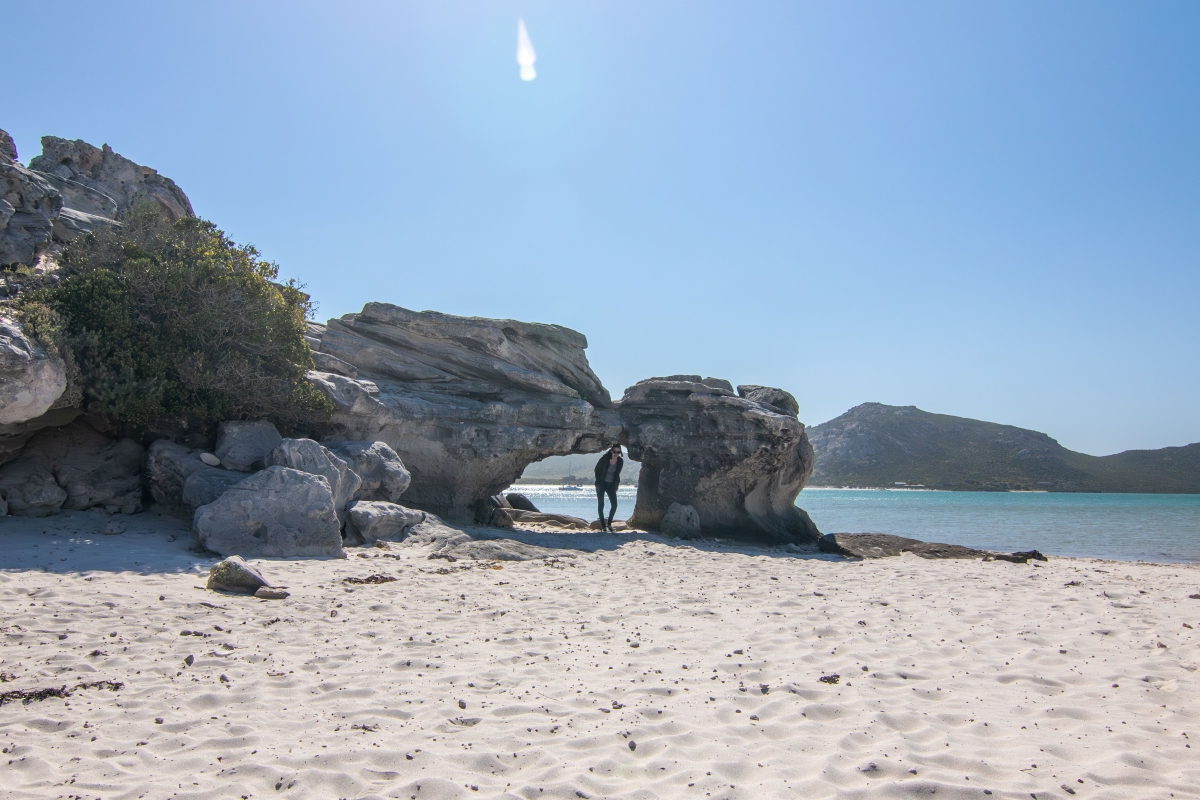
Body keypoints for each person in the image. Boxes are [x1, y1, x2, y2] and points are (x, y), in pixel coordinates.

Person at [594, 443, 623, 531]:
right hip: (601, 484)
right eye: (614, 451)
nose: (616, 453)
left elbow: (617, 474)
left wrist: (616, 484)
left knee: (614, 505)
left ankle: (609, 524)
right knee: (601, 504)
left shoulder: (620, 461)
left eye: (618, 452)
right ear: (611, 451)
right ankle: (603, 526)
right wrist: (598, 482)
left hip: (611, 485)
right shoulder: (604, 459)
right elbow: (596, 470)